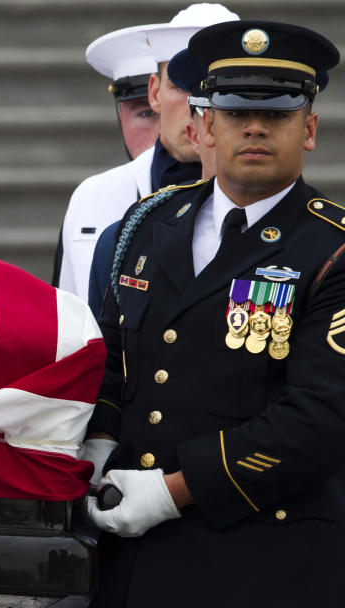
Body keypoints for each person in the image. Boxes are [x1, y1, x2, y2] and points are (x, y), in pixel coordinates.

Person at [84, 19, 345, 607]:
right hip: (130, 560)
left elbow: (321, 421)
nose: (255, 127)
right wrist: (97, 442)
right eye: (233, 112)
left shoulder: (332, 250)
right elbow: (111, 356)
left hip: (264, 562)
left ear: (309, 129)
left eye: (277, 114)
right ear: (203, 125)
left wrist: (175, 491)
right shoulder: (148, 224)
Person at [54, 3, 237, 302]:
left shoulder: (276, 197)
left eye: (216, 88)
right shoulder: (94, 197)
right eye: (183, 85)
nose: (199, 105)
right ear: (154, 93)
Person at [84, 24, 160, 161]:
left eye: (183, 112)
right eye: (147, 114)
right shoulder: (99, 184)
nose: (162, 134)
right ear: (122, 122)